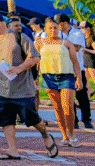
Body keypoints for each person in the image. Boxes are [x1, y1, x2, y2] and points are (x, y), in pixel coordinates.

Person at [0, 11, 58, 160]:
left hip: (22, 89)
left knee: (33, 119)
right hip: (1, 89)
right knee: (6, 120)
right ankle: (12, 150)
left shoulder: (19, 37)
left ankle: (46, 135)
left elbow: (35, 57)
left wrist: (19, 68)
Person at [35, 18, 83, 147]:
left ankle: (72, 135)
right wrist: (35, 77)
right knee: (58, 108)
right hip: (48, 77)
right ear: (45, 29)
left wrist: (79, 78)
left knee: (68, 106)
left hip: (66, 76)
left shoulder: (66, 43)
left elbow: (75, 61)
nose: (53, 30)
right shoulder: (39, 43)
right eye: (50, 28)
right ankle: (64, 136)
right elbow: (36, 61)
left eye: (55, 28)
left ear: (59, 28)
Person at [56, 15, 92, 129]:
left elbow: (76, 48)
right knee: (67, 96)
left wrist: (60, 46)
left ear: (65, 23)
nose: (57, 26)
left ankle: (87, 119)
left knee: (82, 95)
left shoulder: (77, 33)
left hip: (78, 69)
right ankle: (73, 120)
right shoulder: (58, 33)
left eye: (58, 24)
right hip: (63, 69)